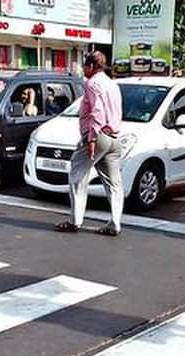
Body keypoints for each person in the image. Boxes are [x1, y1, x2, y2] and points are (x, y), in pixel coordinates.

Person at [55, 51, 124, 236]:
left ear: (92, 66)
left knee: (77, 175)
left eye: (85, 66)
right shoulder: (113, 84)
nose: (83, 70)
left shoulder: (92, 83)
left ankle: (75, 221)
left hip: (98, 135)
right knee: (114, 184)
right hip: (114, 137)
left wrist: (91, 138)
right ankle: (115, 223)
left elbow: (97, 112)